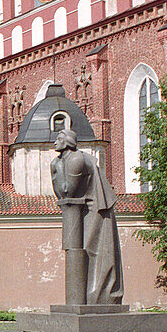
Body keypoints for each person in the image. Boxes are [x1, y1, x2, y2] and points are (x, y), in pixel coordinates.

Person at [50, 129, 124, 305]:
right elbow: (63, 194)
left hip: (96, 207)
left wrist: (57, 168)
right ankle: (84, 299)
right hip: (82, 208)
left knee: (94, 250)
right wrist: (57, 167)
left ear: (68, 142)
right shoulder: (63, 160)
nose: (55, 142)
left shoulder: (76, 159)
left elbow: (68, 190)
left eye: (59, 139)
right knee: (85, 249)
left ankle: (99, 297)